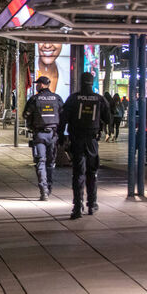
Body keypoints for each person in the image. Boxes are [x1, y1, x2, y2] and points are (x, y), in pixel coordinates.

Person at [59, 72, 110, 220]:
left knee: (78, 173)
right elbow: (108, 118)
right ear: (92, 82)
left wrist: (61, 136)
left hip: (77, 140)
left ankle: (77, 206)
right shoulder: (99, 99)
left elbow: (63, 118)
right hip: (92, 141)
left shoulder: (73, 98)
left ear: (81, 82)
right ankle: (92, 203)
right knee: (92, 172)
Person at [22, 76, 64, 201]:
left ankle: (43, 190)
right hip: (53, 134)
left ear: (41, 85)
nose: (36, 85)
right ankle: (49, 187)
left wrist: (31, 126)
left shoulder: (35, 99)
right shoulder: (57, 98)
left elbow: (26, 114)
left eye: (37, 83)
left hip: (39, 134)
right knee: (50, 163)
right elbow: (63, 115)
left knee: (41, 162)